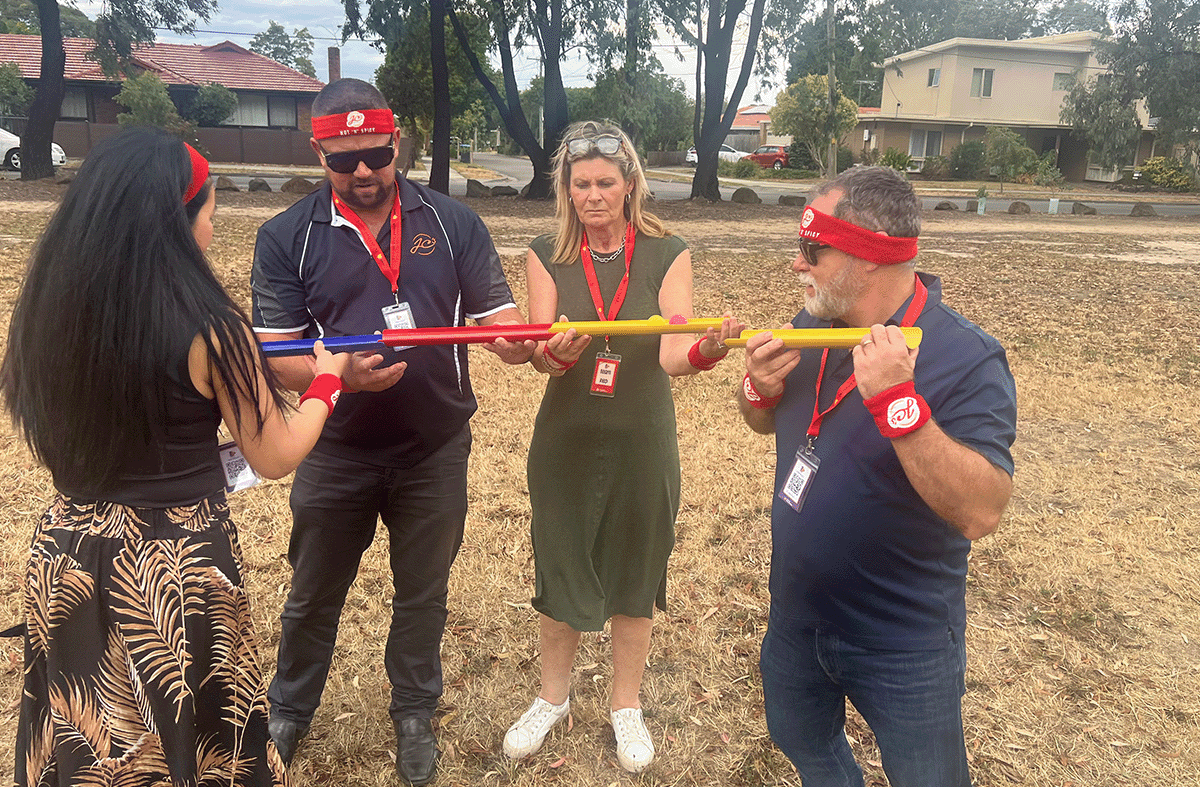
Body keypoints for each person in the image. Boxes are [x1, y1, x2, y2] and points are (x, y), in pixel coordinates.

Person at [1, 127, 350, 786]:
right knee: (192, 740)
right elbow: (275, 454)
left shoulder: (47, 311)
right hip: (173, 568)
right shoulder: (213, 328)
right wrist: (328, 383)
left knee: (88, 739)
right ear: (177, 222)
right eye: (211, 214)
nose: (213, 230)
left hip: (66, 550)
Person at [250, 78, 534, 785]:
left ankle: (414, 711)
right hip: (335, 449)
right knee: (314, 591)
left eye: (376, 154)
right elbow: (280, 358)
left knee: (423, 592)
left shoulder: (453, 221)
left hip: (434, 448)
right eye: (344, 161)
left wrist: (524, 345)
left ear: (396, 140)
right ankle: (289, 706)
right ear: (319, 154)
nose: (364, 173)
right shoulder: (286, 236)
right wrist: (333, 378)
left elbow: (501, 323)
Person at [739, 166, 1017, 787]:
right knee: (798, 736)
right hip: (797, 612)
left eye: (812, 251)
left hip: (902, 638)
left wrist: (899, 402)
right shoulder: (812, 325)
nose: (797, 266)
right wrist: (758, 392)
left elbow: (983, 511)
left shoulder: (964, 357)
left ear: (867, 259)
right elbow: (768, 425)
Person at [501, 120, 743, 773]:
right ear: (567, 187)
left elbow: (673, 351)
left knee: (638, 570)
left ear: (630, 183)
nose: (593, 195)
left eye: (606, 182)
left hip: (643, 435)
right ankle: (551, 698)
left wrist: (710, 347)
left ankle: (625, 705)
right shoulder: (545, 252)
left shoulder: (669, 252)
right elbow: (543, 358)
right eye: (581, 183)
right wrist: (550, 354)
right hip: (566, 437)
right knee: (560, 562)